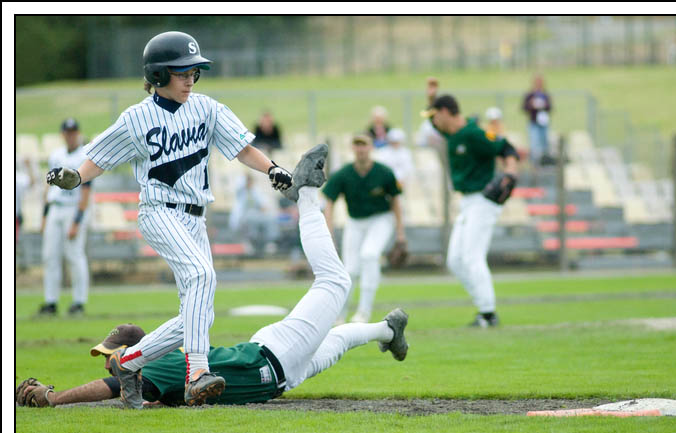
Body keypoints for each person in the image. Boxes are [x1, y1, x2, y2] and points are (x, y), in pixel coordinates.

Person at [17, 150, 410, 409]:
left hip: (273, 355)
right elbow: (140, 395)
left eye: (110, 354)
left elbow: (111, 387)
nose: (108, 361)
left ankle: (305, 194)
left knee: (335, 283)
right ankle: (389, 331)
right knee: (336, 340)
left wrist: (54, 398)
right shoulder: (161, 373)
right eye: (108, 355)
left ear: (135, 350)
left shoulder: (158, 366)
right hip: (280, 371)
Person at [45, 31, 295, 407]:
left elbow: (243, 149)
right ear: (158, 75)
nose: (191, 78)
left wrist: (272, 168)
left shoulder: (207, 108)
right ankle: (197, 374)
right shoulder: (137, 118)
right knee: (202, 275)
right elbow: (100, 158)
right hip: (159, 211)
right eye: (182, 72)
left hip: (196, 219)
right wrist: (77, 177)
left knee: (197, 315)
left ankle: (129, 361)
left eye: (194, 71)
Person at [421, 95, 520, 328]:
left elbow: (506, 147)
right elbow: (434, 125)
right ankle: (483, 306)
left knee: (472, 257)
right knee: (455, 261)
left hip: (483, 200)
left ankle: (488, 314)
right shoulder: (453, 134)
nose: (433, 121)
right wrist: (431, 97)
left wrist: (511, 171)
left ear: (445, 112)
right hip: (467, 202)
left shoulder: (474, 133)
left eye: (435, 115)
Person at [323, 134, 406, 324]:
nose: (361, 149)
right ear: (352, 148)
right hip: (355, 221)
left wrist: (400, 233)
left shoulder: (384, 172)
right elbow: (329, 203)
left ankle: (364, 312)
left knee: (369, 255)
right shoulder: (343, 174)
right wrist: (329, 234)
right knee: (349, 269)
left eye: (364, 145)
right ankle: (339, 315)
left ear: (371, 147)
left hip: (381, 219)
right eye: (357, 145)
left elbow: (396, 201)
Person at [37, 118, 92, 317]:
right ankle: (51, 301)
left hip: (72, 208)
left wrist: (77, 220)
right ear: (63, 134)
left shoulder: (84, 155)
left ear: (78, 133)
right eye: (67, 132)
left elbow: (86, 189)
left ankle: (79, 302)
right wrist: (44, 215)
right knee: (50, 256)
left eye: (73, 132)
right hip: (55, 207)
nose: (70, 136)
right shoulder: (56, 155)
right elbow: (48, 187)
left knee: (74, 255)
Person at [522, 75, 552, 166]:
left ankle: (545, 162)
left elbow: (550, 107)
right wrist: (531, 104)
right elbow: (524, 107)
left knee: (544, 143)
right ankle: (534, 164)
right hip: (533, 122)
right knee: (534, 143)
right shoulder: (529, 95)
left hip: (544, 122)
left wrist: (544, 105)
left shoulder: (545, 94)